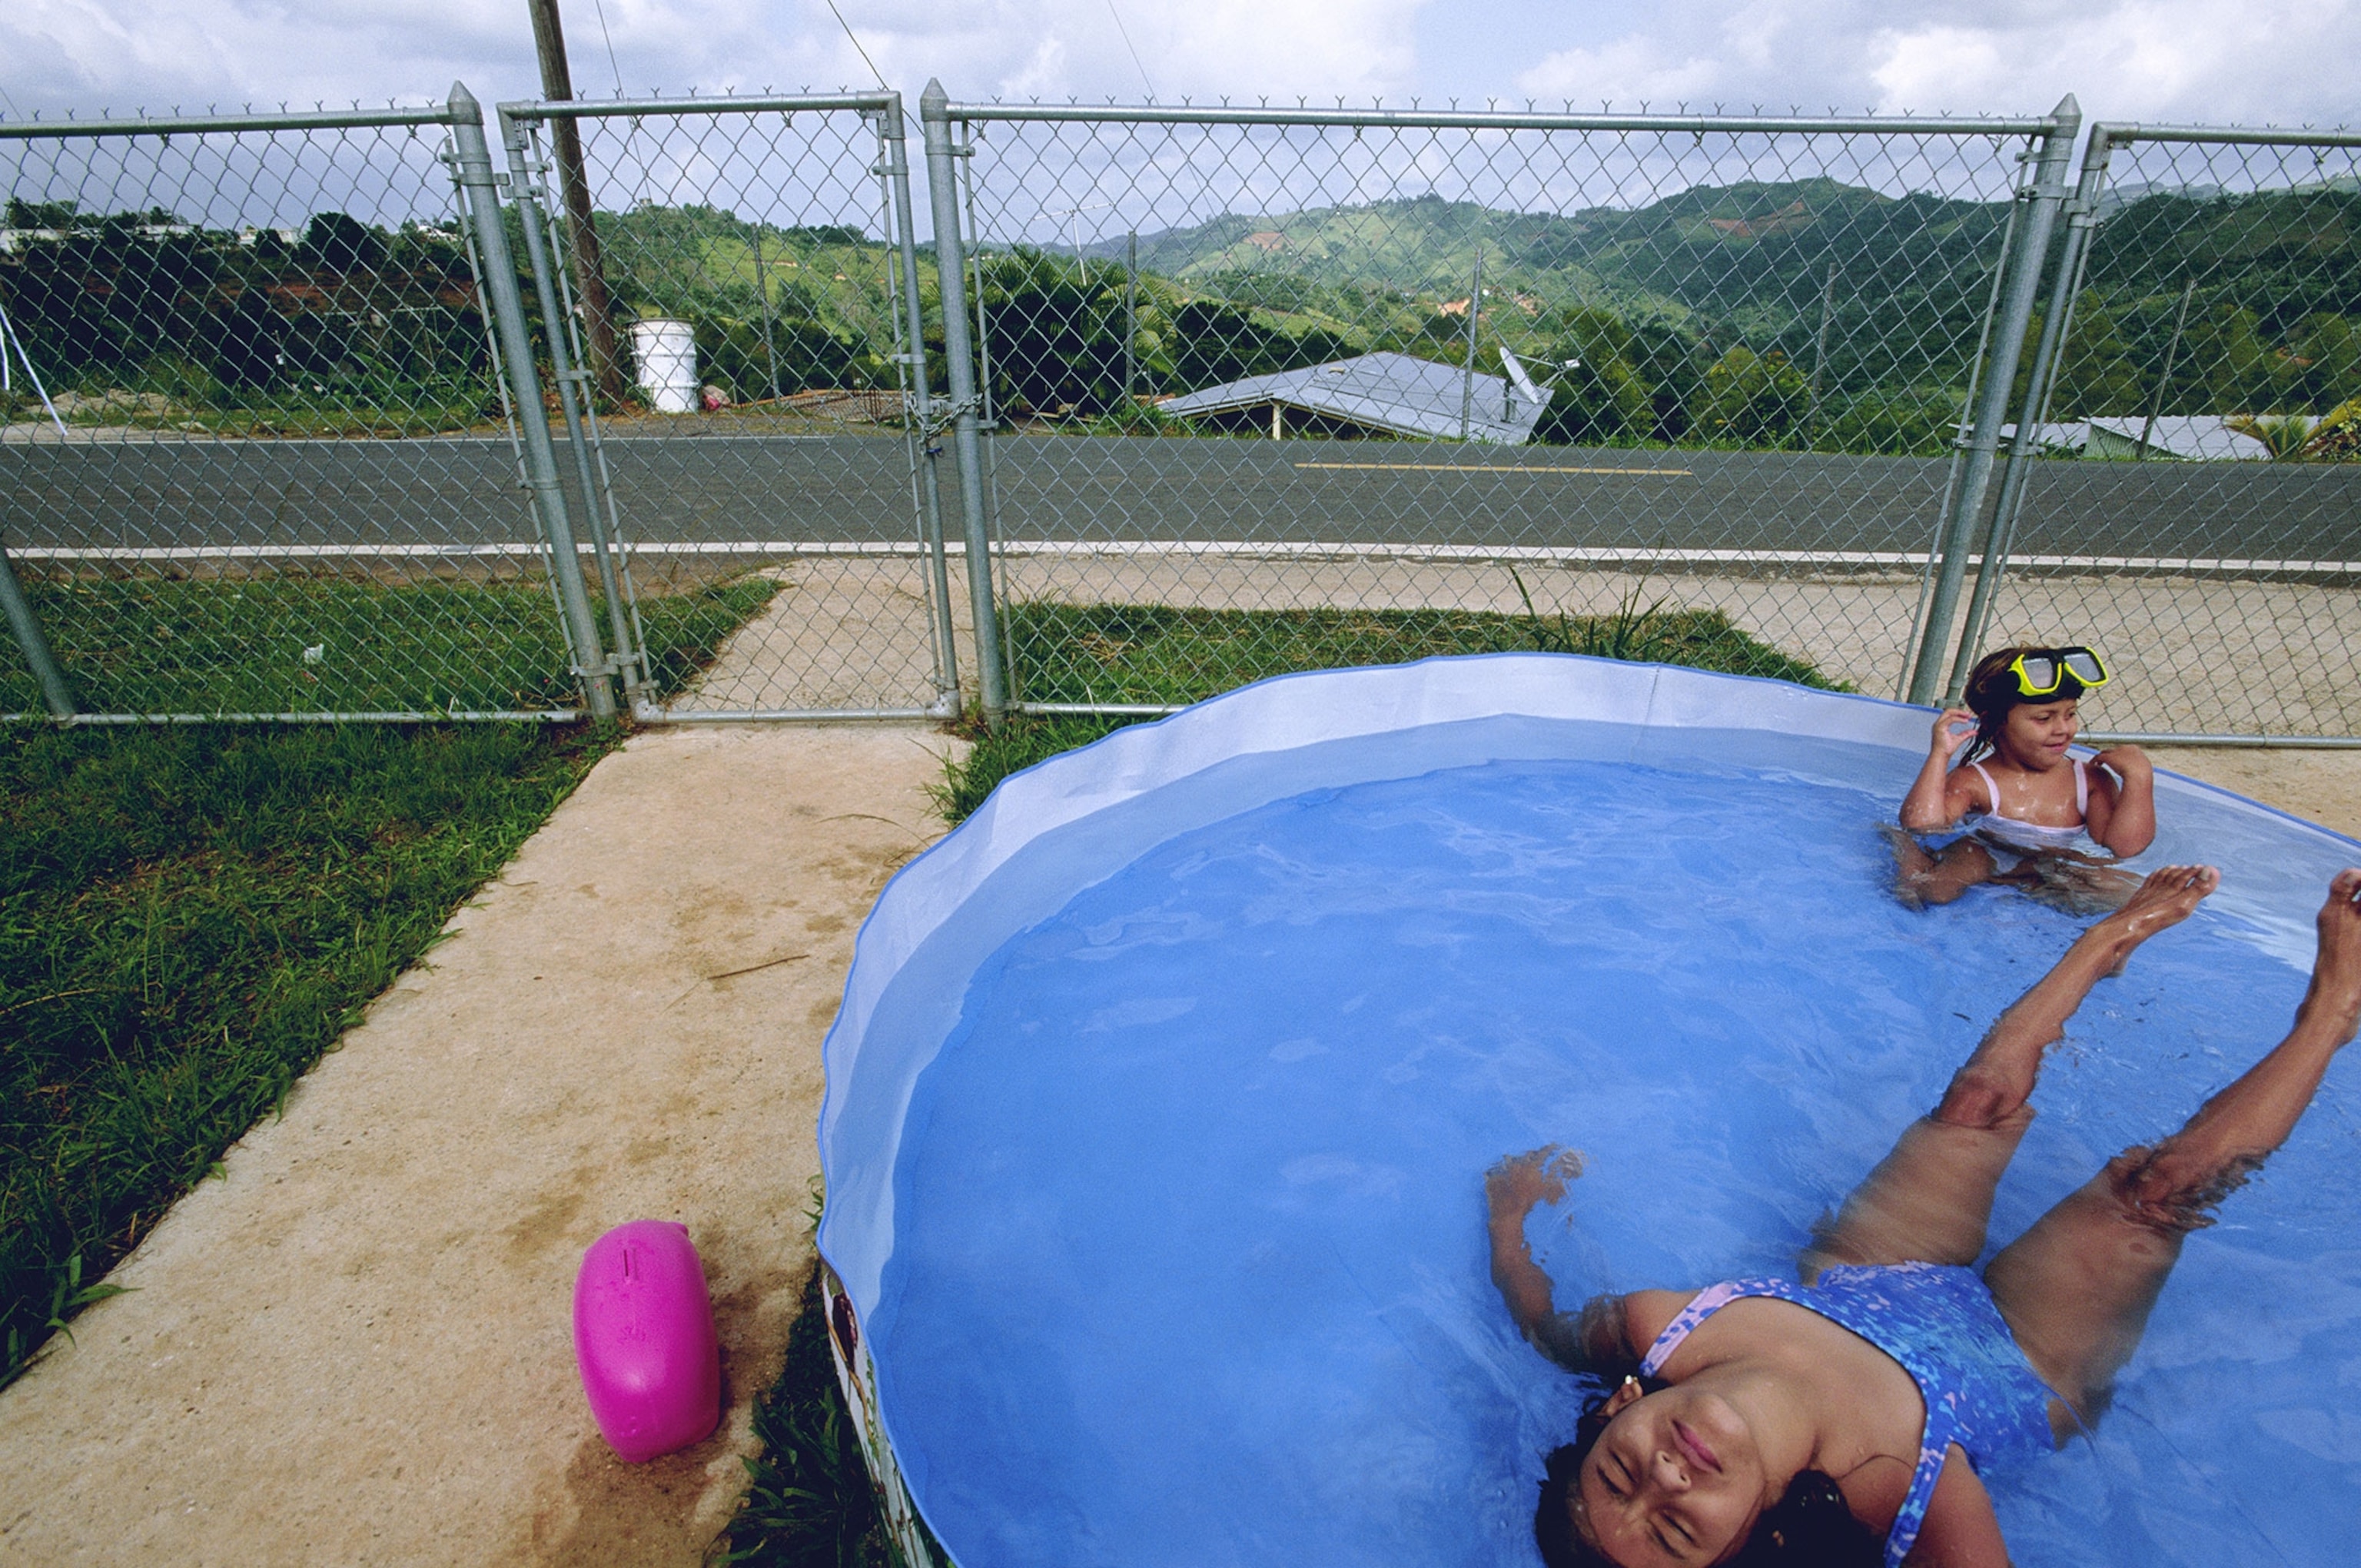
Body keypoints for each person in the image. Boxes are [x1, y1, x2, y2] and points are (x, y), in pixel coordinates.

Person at [1485, 864, 2361, 1568]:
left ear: (1618, 1409)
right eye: (1679, 1530)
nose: (1665, 1479)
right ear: (1760, 1536)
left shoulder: (1667, 1328)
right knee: (2158, 1191)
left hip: (1866, 1284)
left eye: (1621, 1474)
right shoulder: (1888, 1488)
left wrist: (1509, 1215)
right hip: (2019, 1365)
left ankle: (2106, 939)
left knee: (1975, 1103)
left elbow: (1540, 1324)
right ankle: (2330, 1015)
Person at [1887, 645, 2157, 911]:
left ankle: (2028, 881)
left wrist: (2139, 780)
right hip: (1986, 853)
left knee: (2125, 893)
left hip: (2052, 860)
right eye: (2044, 718)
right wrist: (1939, 756)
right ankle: (1908, 853)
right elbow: (1922, 826)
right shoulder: (1976, 781)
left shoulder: (2088, 780)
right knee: (1933, 891)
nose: (2063, 729)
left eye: (2070, 714)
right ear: (1996, 722)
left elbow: (2124, 848)